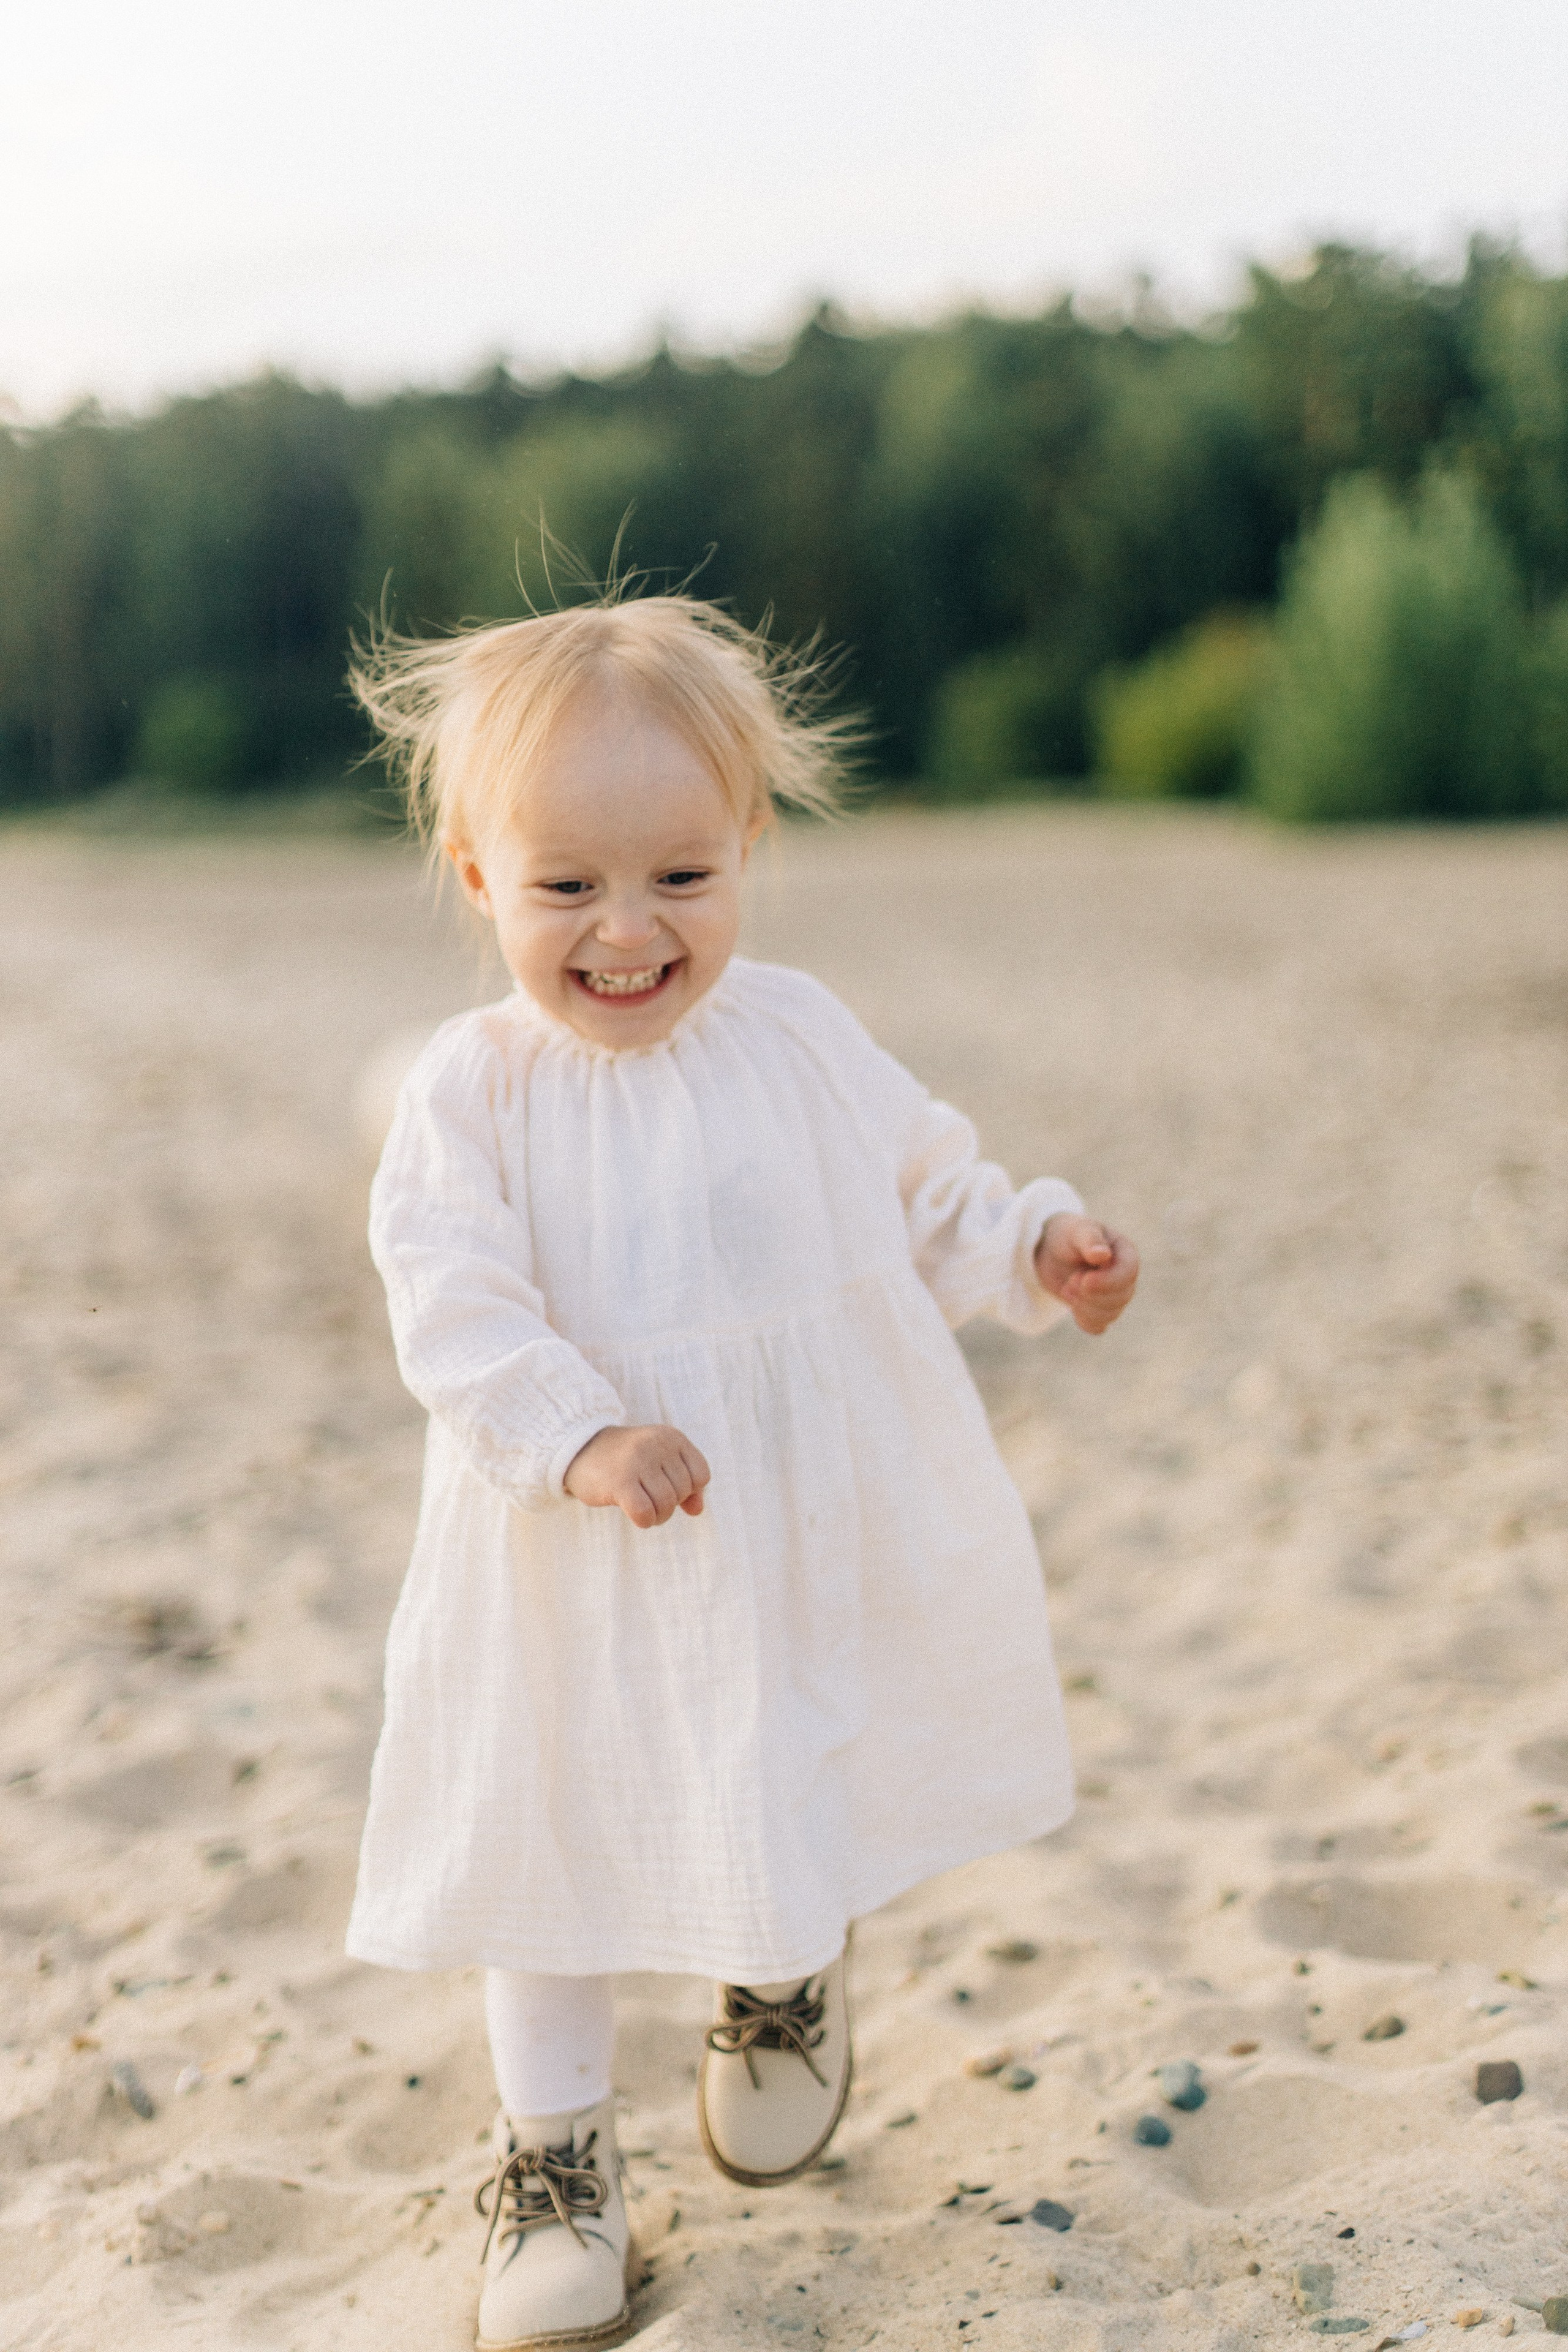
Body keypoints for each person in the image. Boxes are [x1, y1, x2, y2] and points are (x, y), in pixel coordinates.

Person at [345, 595, 1139, 2352]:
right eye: (568, 889)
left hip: (774, 1524)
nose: (629, 932)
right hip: (564, 1547)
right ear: (479, 875)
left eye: (681, 879)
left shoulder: (793, 1035)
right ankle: (554, 2160)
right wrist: (579, 1434)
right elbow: (451, 1304)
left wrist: (1033, 1246)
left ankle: (777, 1980)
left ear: (747, 844)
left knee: (775, 1750)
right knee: (543, 1828)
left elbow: (926, 1188)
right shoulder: (473, 1096)